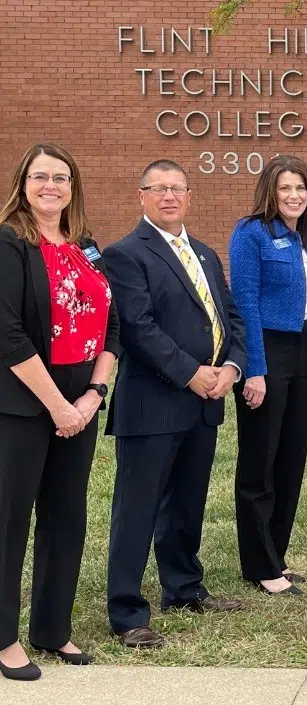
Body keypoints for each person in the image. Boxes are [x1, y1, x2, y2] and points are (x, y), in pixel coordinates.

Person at [103, 159, 247, 648]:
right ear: (141, 196)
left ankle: (183, 588)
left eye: (176, 189)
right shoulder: (125, 254)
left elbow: (230, 318)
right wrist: (190, 373)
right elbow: (138, 328)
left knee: (187, 504)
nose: (168, 197)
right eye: (157, 188)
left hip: (204, 402)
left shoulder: (205, 254)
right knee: (136, 509)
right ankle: (126, 612)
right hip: (153, 402)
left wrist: (231, 368)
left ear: (190, 197)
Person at [0, 143, 118, 680]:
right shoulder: (9, 244)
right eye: (41, 176)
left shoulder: (85, 247)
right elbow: (8, 333)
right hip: (24, 404)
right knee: (9, 521)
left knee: (66, 518)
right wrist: (57, 405)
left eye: (62, 178)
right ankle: (4, 639)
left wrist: (93, 396)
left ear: (74, 188)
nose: (52, 186)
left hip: (81, 401)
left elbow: (111, 326)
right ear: (23, 183)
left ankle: (52, 627)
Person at [229, 156, 307, 597]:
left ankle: (277, 556)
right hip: (267, 350)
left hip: (306, 349)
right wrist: (255, 369)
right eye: (286, 188)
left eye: (301, 189)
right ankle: (258, 563)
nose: (294, 196)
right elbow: (245, 301)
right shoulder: (251, 234)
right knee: (260, 459)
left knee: (292, 456)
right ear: (270, 191)